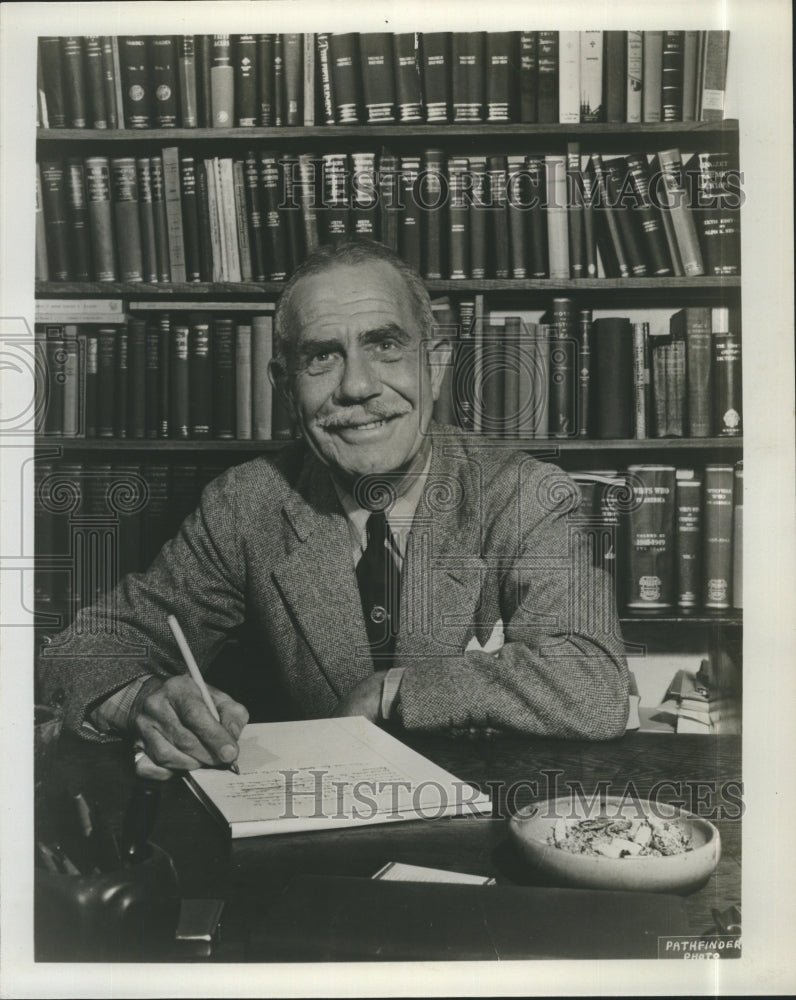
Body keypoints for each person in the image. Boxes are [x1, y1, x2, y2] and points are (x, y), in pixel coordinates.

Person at [37, 239, 630, 780]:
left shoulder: (522, 492)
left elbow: (593, 682)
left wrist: (396, 690)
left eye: (386, 346)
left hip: (484, 837)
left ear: (437, 362)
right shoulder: (247, 505)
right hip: (314, 845)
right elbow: (79, 650)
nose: (358, 387)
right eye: (322, 357)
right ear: (284, 386)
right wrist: (143, 700)